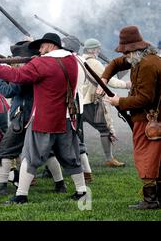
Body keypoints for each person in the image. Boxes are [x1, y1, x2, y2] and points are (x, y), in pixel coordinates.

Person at [0, 32, 87, 204]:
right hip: (67, 117)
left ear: (51, 46)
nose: (39, 50)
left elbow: (18, 77)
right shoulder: (71, 60)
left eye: (42, 46)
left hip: (45, 119)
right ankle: (82, 191)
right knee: (71, 156)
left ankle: (21, 195)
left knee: (30, 158)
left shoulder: (42, 62)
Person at [101, 26, 161, 210]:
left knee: (146, 158)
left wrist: (119, 100)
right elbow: (117, 63)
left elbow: (145, 98)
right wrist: (104, 78)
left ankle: (150, 200)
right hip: (150, 118)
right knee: (154, 158)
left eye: (126, 51)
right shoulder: (143, 58)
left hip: (149, 119)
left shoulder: (146, 65)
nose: (124, 55)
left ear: (134, 50)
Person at [81, 38, 130, 167]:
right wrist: (126, 84)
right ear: (92, 50)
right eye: (97, 48)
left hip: (79, 101)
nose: (98, 50)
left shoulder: (80, 60)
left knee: (75, 132)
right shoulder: (94, 63)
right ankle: (109, 159)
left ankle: (79, 157)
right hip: (91, 101)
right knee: (105, 129)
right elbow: (108, 80)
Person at [62, 36, 93, 183]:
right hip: (76, 105)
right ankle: (86, 172)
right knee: (76, 140)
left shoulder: (69, 61)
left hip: (70, 105)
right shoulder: (81, 60)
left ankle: (85, 173)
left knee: (74, 141)